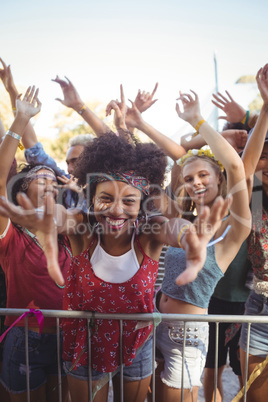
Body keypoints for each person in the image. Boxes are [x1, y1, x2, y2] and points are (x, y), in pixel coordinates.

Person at [0, 89, 230, 402]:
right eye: (105, 199)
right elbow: (63, 218)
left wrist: (192, 236)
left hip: (136, 344)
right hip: (85, 345)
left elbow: (173, 228)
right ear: (91, 200)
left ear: (141, 203)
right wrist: (42, 219)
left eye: (129, 201)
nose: (117, 210)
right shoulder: (82, 230)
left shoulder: (148, 233)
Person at [153, 90, 251, 402]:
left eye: (203, 175)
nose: (195, 182)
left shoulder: (235, 228)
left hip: (187, 336)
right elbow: (175, 160)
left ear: (219, 179)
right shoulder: (182, 222)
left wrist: (197, 121)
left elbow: (236, 167)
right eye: (189, 177)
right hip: (157, 327)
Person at [0, 87, 72, 402]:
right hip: (25, 340)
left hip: (68, 338)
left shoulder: (70, 234)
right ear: (21, 192)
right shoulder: (11, 235)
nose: (49, 185)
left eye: (53, 182)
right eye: (40, 181)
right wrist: (19, 122)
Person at [237, 64, 268, 402]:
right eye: (264, 157)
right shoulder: (255, 199)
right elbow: (243, 169)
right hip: (260, 305)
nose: (267, 164)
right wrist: (266, 108)